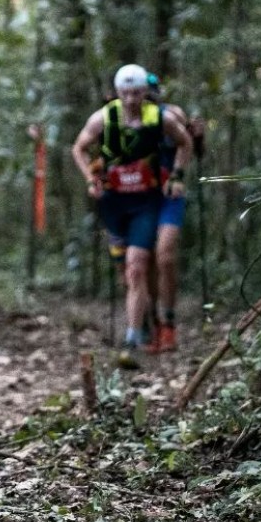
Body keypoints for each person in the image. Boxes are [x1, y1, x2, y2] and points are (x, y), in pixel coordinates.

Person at [70, 63, 191, 368]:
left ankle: (135, 336)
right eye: (126, 93)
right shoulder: (103, 118)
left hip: (150, 200)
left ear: (146, 92)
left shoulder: (163, 116)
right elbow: (79, 148)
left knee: (143, 263)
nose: (132, 99)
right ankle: (147, 323)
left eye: (137, 92)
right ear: (118, 92)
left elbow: (186, 143)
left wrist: (177, 175)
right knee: (128, 270)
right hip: (114, 202)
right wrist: (90, 179)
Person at [143, 74, 206, 354]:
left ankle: (168, 322)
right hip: (138, 198)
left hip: (169, 194)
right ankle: (151, 323)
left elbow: (193, 148)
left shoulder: (171, 115)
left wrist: (198, 137)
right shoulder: (119, 118)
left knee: (165, 255)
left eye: (150, 94)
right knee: (143, 262)